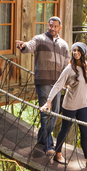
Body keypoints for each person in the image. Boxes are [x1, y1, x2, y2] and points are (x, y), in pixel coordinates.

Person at [39, 42, 87, 168]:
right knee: (65, 130)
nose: (76, 53)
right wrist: (49, 101)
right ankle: (58, 153)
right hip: (70, 105)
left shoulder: (86, 65)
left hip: (82, 105)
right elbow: (57, 85)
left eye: (78, 50)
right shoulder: (69, 69)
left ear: (83, 53)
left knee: (85, 131)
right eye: (74, 50)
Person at [16, 16, 70, 156]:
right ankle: (48, 145)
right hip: (44, 81)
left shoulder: (63, 45)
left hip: (57, 84)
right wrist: (23, 46)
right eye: (50, 25)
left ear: (60, 27)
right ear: (48, 25)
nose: (52, 28)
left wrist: (69, 82)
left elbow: (67, 65)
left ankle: (41, 137)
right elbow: (30, 45)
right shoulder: (39, 39)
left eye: (55, 26)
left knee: (55, 114)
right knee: (46, 113)